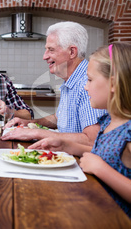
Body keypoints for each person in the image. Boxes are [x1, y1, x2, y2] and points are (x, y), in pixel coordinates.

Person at [29, 43, 131, 217]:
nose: (85, 87)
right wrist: (66, 145)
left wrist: (101, 169)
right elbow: (105, 153)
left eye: (90, 80)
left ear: (113, 83)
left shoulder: (128, 132)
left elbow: (103, 163)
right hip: (95, 210)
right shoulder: (107, 121)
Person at [2, 22, 106, 145]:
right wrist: (31, 124)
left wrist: (37, 133)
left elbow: (92, 139)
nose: (44, 56)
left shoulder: (86, 84)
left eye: (51, 50)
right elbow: (59, 118)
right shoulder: (72, 79)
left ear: (72, 52)